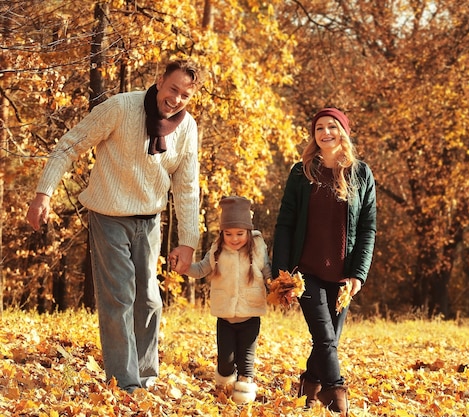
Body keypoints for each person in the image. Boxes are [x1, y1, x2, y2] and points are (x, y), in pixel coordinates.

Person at [26, 60, 202, 393]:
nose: (176, 99)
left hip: (149, 220)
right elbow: (69, 145)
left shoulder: (187, 127)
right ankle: (125, 383)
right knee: (120, 297)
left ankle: (146, 376)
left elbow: (186, 186)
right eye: (173, 89)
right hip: (108, 215)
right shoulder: (121, 108)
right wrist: (43, 195)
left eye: (185, 95)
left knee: (149, 300)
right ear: (160, 81)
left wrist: (188, 241)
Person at [272, 107, 377, 416]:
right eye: (319, 128)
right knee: (325, 338)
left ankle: (309, 385)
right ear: (313, 135)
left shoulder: (361, 173)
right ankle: (338, 400)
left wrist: (359, 273)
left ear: (343, 132)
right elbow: (285, 223)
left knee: (327, 342)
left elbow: (368, 226)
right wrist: (282, 272)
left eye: (332, 127)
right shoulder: (301, 172)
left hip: (343, 276)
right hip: (306, 273)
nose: (326, 132)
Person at [186, 196, 270, 404]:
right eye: (228, 234)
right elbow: (200, 270)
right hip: (225, 318)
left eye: (240, 234)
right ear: (222, 232)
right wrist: (184, 267)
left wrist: (278, 286)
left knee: (246, 364)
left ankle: (242, 400)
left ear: (248, 232)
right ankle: (224, 386)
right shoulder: (217, 250)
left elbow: (268, 272)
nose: (234, 239)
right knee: (226, 363)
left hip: (250, 317)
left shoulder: (257, 249)